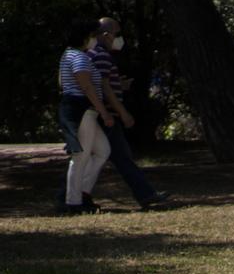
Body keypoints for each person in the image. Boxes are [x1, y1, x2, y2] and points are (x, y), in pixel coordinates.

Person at [88, 18, 168, 209]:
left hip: (104, 115)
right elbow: (104, 88)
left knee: (113, 157)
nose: (119, 38)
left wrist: (119, 86)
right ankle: (70, 196)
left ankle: (146, 194)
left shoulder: (96, 55)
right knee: (99, 158)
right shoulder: (101, 56)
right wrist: (123, 113)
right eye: (117, 33)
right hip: (106, 116)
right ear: (106, 35)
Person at [57, 20, 117, 214]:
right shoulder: (79, 58)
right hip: (82, 110)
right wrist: (104, 111)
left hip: (84, 111)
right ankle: (73, 202)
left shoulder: (70, 55)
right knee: (80, 156)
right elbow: (87, 87)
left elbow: (63, 82)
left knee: (102, 151)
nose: (95, 39)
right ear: (84, 38)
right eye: (93, 35)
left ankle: (82, 193)